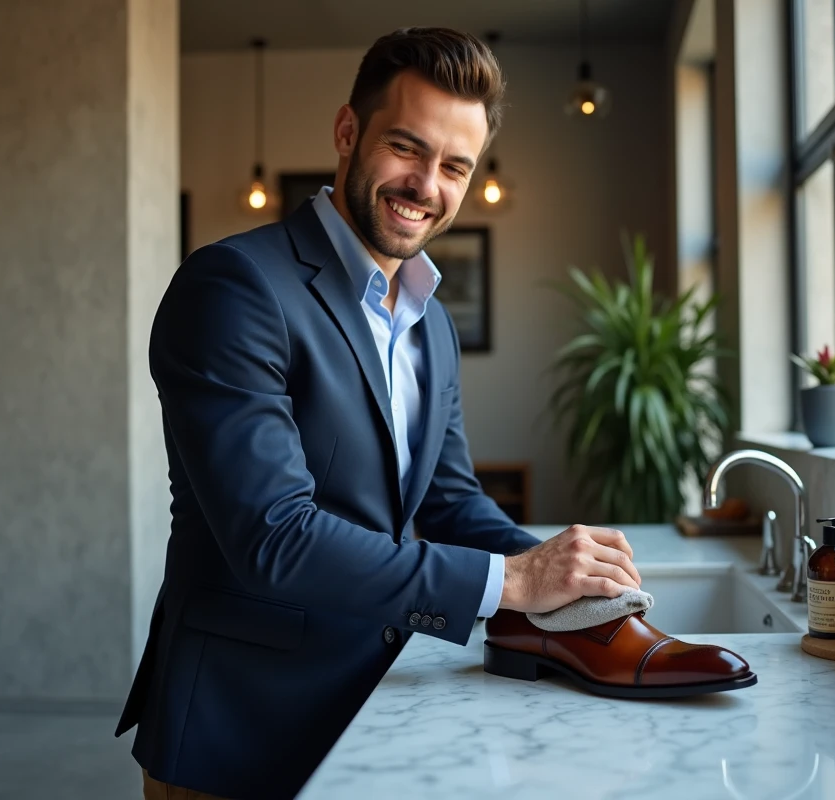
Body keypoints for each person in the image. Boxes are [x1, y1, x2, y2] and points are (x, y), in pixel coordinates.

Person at [115, 27, 643, 800]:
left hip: (378, 713)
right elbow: (274, 536)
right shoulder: (233, 287)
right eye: (408, 147)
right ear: (347, 132)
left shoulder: (430, 318)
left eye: (455, 166)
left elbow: (448, 501)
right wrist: (512, 583)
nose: (427, 183)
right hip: (239, 729)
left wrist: (568, 579)